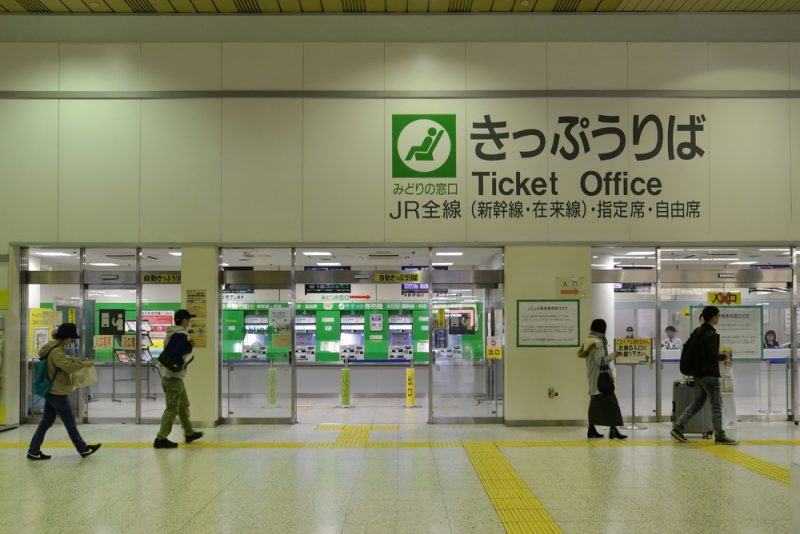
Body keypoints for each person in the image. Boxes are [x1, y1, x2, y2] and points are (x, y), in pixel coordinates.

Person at [27, 323, 102, 460]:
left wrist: (72, 360)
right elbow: (67, 367)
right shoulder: (56, 351)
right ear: (65, 337)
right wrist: (82, 364)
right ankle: (83, 449)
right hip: (57, 392)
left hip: (52, 390)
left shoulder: (54, 348)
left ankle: (33, 450)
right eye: (71, 338)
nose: (72, 341)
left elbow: (62, 364)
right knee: (70, 422)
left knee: (46, 422)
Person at [670, 306, 738, 445]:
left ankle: (678, 428)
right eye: (718, 316)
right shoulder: (711, 334)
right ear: (713, 317)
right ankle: (720, 436)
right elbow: (712, 356)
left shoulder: (697, 332)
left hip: (698, 375)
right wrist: (724, 356)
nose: (719, 318)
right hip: (710, 376)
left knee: (696, 404)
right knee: (716, 406)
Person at [154, 309, 204, 449]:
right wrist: (190, 345)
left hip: (173, 377)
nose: (189, 322)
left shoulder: (169, 335)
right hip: (173, 378)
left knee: (182, 406)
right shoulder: (181, 334)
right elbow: (181, 352)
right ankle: (161, 438)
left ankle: (189, 433)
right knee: (172, 409)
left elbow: (167, 358)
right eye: (188, 319)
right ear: (183, 320)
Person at [578, 319, 627, 440]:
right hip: (602, 379)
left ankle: (592, 429)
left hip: (593, 377)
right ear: (602, 329)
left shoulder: (589, 340)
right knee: (612, 405)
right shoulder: (598, 342)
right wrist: (614, 355)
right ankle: (613, 430)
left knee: (595, 405)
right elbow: (601, 361)